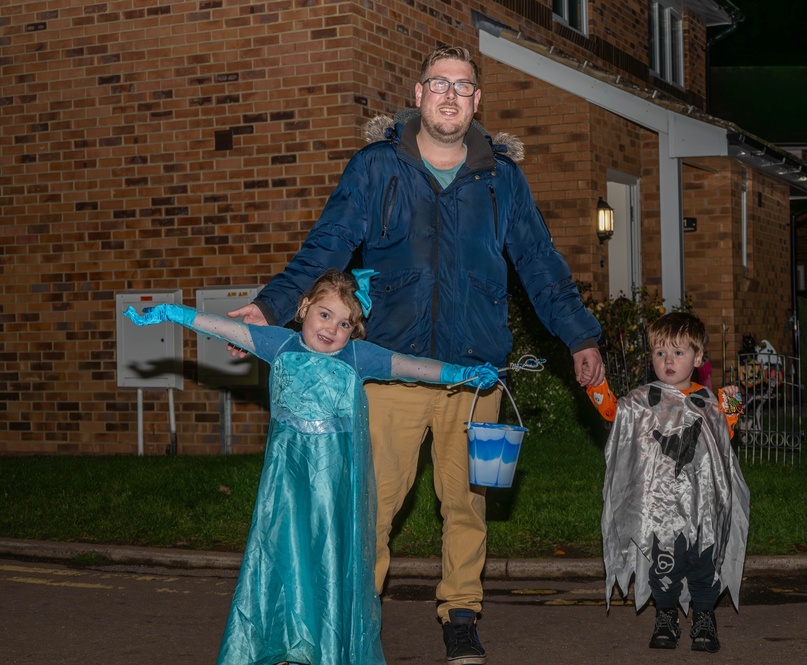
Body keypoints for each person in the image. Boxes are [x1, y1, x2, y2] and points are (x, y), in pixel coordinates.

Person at [227, 46, 604, 663]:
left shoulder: (501, 179)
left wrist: (580, 336)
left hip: (474, 376)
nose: (450, 96)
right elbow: (328, 245)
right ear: (419, 93)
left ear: (477, 101)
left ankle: (461, 613)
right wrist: (271, 308)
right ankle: (351, 612)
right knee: (371, 508)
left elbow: (539, 264)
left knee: (467, 504)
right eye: (439, 84)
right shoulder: (377, 169)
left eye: (463, 86)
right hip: (390, 374)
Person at [124, 268, 498, 665]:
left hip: (333, 487)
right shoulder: (278, 345)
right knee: (280, 556)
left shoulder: (358, 356)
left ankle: (324, 648)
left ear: (353, 332)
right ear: (303, 308)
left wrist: (460, 374)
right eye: (324, 314)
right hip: (284, 484)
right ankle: (281, 641)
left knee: (327, 558)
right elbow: (222, 328)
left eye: (344, 323)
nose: (332, 328)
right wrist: (172, 313)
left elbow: (409, 366)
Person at [602, 311, 750, 654]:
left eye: (678, 353)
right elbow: (614, 413)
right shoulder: (642, 401)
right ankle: (665, 615)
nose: (668, 361)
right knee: (662, 563)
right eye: (660, 353)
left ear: (697, 358)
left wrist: (733, 404)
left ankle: (703, 616)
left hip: (701, 507)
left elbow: (725, 436)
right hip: (659, 506)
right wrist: (596, 386)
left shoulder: (707, 402)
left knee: (702, 562)